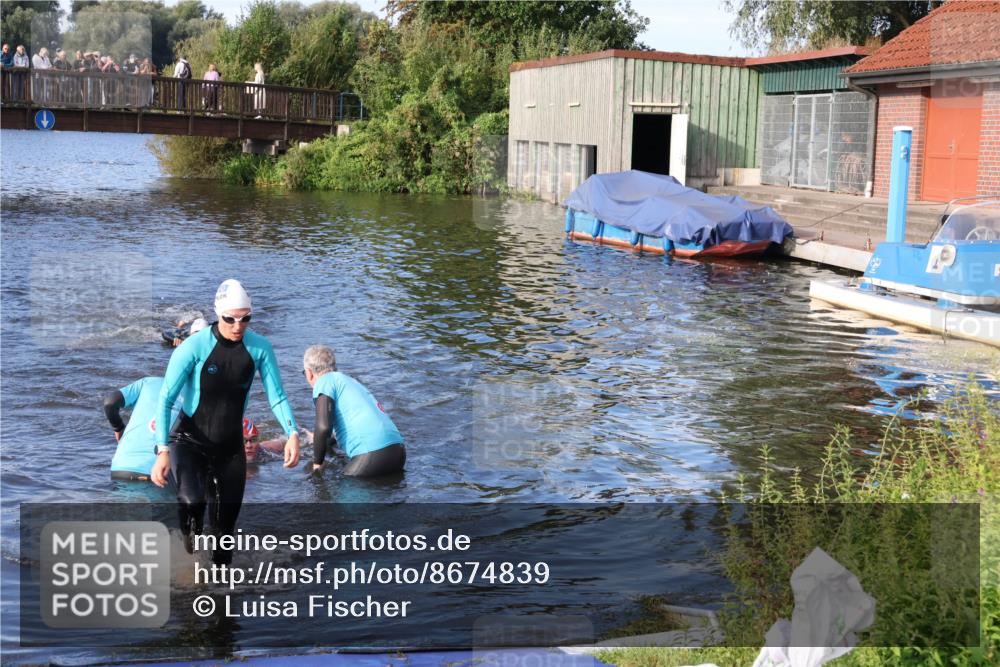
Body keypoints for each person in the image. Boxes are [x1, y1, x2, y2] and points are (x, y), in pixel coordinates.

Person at [151, 279, 300, 564]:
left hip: (230, 449)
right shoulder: (193, 347)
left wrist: (291, 433)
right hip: (189, 441)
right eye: (230, 319)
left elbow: (277, 397)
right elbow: (166, 399)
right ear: (218, 313)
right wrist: (162, 451)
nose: (237, 325)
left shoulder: (260, 348)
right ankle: (188, 559)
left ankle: (220, 591)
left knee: (224, 539)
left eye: (245, 319)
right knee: (192, 502)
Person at [302, 345, 405, 478]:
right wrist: (319, 440)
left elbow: (323, 427)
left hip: (372, 454)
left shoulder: (323, 382)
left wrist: (317, 464)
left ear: (309, 373)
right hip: (398, 452)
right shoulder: (349, 381)